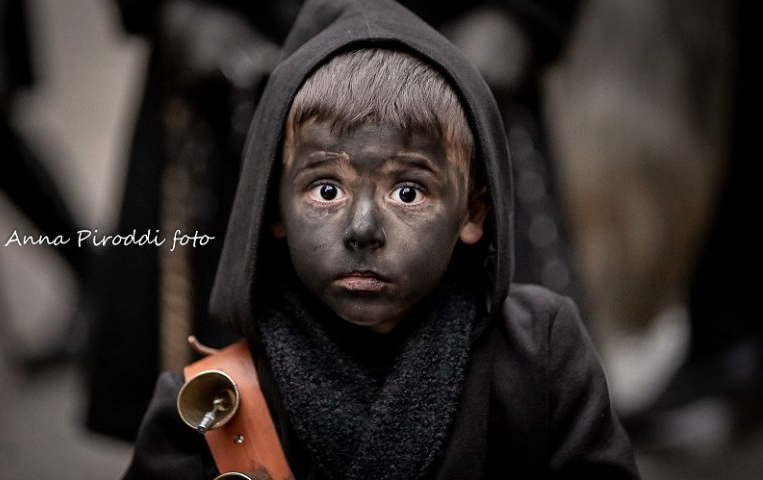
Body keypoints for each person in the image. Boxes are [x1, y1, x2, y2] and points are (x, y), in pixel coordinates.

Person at [123, 0, 638, 478]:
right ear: (272, 210)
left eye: (409, 193)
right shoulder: (213, 405)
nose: (363, 230)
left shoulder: (541, 362)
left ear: (473, 211)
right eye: (327, 189)